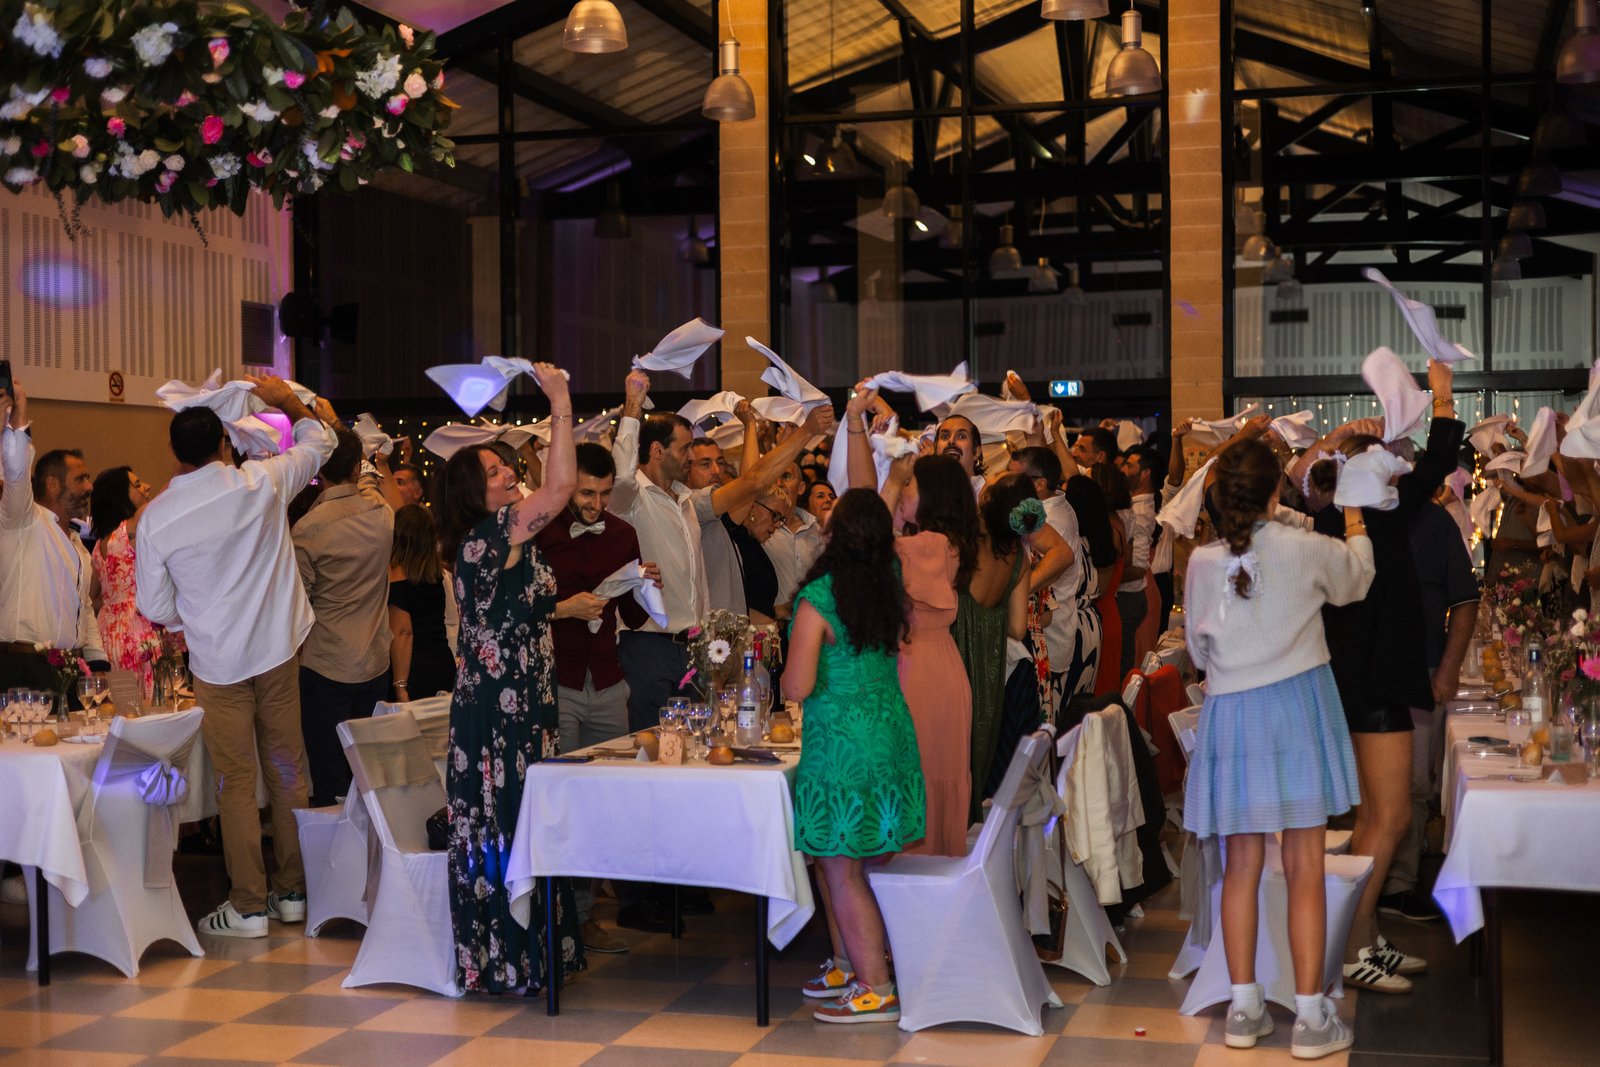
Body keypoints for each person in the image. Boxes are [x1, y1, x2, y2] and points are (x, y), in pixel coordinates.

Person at [1183, 436, 1374, 1060]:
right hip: (1296, 708)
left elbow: (1198, 650)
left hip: (1233, 714)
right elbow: (1358, 579)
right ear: (1275, 492)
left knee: (1240, 865)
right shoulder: (1304, 547)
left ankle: (1243, 1009)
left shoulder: (1202, 562)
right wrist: (1353, 512)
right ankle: (1312, 1019)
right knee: (1304, 866)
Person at [136, 375, 335, 938]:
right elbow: (322, 442)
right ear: (224, 442)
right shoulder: (262, 481)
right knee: (289, 770)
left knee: (235, 782)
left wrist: (195, 617)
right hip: (276, 650)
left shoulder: (156, 518)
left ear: (175, 452)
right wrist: (287, 402)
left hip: (217, 662)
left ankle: (248, 905)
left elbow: (154, 606)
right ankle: (292, 892)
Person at [1302, 359, 1462, 993]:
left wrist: (1342, 442)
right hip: (1374, 682)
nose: (1400, 462)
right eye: (1387, 457)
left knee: (1376, 815)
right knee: (1391, 819)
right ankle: (1350, 946)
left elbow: (1423, 467)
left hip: (1363, 678)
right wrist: (1442, 395)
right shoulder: (1368, 515)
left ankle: (1364, 937)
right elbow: (1437, 460)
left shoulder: (1354, 518)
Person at [432, 360, 583, 995]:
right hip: (499, 713)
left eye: (505, 466)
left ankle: (532, 954)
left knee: (529, 822)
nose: (508, 476)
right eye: (494, 472)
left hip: (527, 703)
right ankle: (506, 958)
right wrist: (559, 400)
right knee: (507, 827)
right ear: (474, 493)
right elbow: (561, 488)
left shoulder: (508, 538)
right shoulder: (486, 537)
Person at [784, 488, 926, 1024]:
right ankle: (847, 964)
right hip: (889, 736)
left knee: (842, 870)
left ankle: (876, 987)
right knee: (836, 861)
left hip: (842, 746)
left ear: (833, 535)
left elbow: (797, 686)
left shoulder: (820, 598)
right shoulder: (888, 583)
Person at [533, 441, 655, 954]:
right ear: (567, 484)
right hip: (556, 679)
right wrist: (564, 607)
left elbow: (634, 616)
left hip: (607, 680)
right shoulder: (537, 531)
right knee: (562, 803)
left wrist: (645, 585)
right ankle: (554, 918)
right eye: (587, 493)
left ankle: (583, 917)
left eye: (604, 494)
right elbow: (518, 607)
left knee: (603, 805)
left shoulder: (623, 533)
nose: (596, 504)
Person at [1378, 498, 1478, 923]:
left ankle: (1397, 886)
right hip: (1367, 673)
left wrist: (1449, 669)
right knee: (1379, 786)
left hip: (1422, 670)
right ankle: (1375, 883)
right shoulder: (1356, 515)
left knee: (1416, 782)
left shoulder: (1435, 522)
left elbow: (1465, 599)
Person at [292, 426, 395, 809]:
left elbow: (297, 605)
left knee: (329, 774)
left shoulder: (308, 529)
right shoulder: (382, 514)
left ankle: (334, 847)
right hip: (375, 662)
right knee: (367, 774)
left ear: (318, 469)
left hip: (327, 663)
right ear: (355, 468)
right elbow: (368, 484)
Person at [0, 381, 109, 695]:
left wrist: (98, 662)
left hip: (69, 668)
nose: (89, 487)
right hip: (24, 668)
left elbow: (84, 608)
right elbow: (16, 473)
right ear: (51, 484)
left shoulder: (78, 546)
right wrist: (18, 413)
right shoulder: (22, 519)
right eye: (81, 478)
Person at [89, 466, 179, 698]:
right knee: (150, 700)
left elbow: (92, 597)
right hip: (136, 627)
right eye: (137, 484)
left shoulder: (98, 545)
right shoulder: (131, 525)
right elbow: (166, 496)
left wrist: (115, 604)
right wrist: (183, 465)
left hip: (106, 632)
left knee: (120, 703)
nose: (146, 487)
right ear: (119, 495)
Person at [386, 504, 456, 702]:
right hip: (442, 663)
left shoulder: (396, 578)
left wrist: (400, 685)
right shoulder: (436, 575)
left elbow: (403, 634)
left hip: (412, 670)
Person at [1116, 446, 1158, 676]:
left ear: (1145, 474)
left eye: (1130, 465)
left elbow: (1139, 567)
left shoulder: (1140, 510)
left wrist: (1106, 581)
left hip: (1128, 597)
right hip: (1128, 596)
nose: (1123, 469)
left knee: (1123, 667)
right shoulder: (1134, 504)